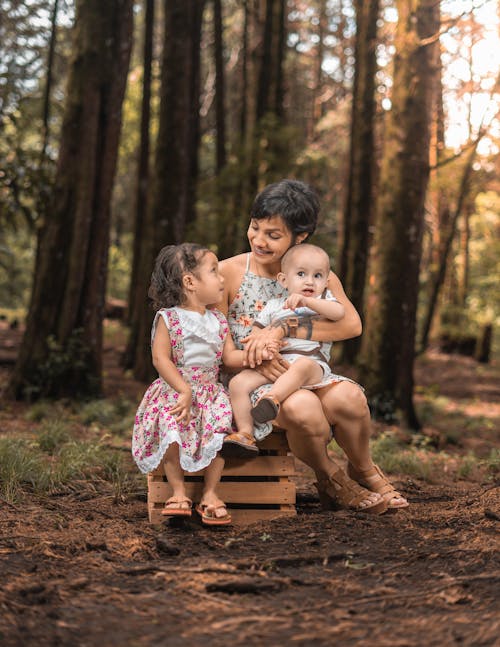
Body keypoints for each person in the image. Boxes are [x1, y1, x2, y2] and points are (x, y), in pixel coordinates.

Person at [218, 179, 409, 512]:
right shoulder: (228, 273)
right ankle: (332, 479)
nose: (259, 240)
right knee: (300, 406)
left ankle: (364, 471)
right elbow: (216, 347)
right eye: (255, 228)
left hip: (306, 371)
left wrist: (286, 327)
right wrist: (255, 360)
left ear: (300, 236)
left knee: (350, 397)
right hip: (254, 379)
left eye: (273, 235)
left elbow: (351, 325)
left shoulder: (316, 273)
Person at [132, 243, 268, 526]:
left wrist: (258, 355)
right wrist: (183, 389)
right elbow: (160, 359)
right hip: (175, 390)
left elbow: (229, 357)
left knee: (220, 434)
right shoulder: (168, 318)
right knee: (171, 430)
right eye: (214, 271)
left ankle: (210, 493)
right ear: (190, 282)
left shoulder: (218, 319)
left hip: (210, 393)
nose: (221, 278)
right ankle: (178, 492)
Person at [222, 243, 346, 459]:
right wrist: (263, 347)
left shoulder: (322, 301)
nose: (309, 281)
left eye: (317, 276)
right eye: (301, 274)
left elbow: (338, 313)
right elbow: (255, 334)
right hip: (277, 364)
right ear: (283, 280)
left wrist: (309, 301)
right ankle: (245, 433)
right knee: (238, 384)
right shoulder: (273, 306)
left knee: (302, 366)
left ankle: (272, 400)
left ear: (326, 282)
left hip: (311, 365)